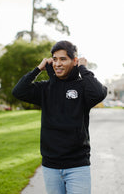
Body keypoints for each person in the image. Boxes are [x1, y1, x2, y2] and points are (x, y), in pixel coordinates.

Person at [12, 40, 107, 194]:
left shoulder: (83, 87)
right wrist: (38, 69)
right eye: (55, 59)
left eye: (63, 59)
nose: (57, 64)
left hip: (78, 166)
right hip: (51, 167)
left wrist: (83, 68)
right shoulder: (45, 88)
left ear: (74, 61)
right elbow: (18, 91)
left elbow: (98, 93)